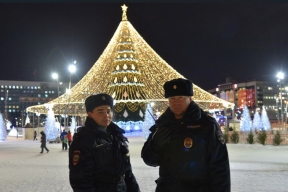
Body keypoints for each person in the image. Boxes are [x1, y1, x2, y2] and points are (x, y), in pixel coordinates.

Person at [141, 78, 231, 192]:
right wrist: (155, 146)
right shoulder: (162, 124)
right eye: (172, 98)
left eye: (181, 97)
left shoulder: (206, 125)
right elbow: (149, 160)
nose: (176, 102)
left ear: (190, 98)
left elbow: (220, 167)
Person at [69, 93, 140, 192]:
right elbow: (81, 181)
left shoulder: (117, 136)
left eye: (108, 111)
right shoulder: (84, 139)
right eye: (100, 112)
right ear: (90, 114)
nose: (106, 115)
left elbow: (127, 172)